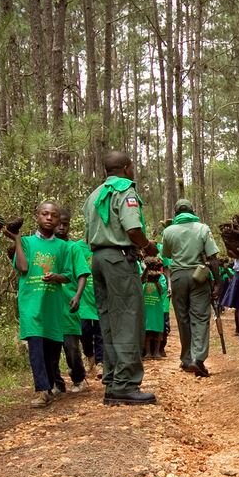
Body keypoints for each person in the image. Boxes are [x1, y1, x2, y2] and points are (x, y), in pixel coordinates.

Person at [82, 151, 160, 406]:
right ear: (126, 168)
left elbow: (88, 233)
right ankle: (126, 384)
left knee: (109, 320)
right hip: (119, 258)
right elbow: (133, 228)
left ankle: (113, 380)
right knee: (128, 318)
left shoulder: (94, 195)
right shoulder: (125, 190)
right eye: (133, 166)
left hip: (98, 259)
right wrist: (147, 246)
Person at [5, 202, 86, 407]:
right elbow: (23, 267)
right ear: (37, 216)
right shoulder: (26, 242)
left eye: (54, 215)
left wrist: (57, 276)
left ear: (59, 220)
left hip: (52, 307)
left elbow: (68, 276)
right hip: (31, 304)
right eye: (45, 214)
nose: (49, 218)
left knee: (51, 351)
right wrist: (16, 238)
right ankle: (42, 390)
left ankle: (49, 386)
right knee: (36, 348)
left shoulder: (64, 247)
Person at [160, 198, 221, 377]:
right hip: (199, 276)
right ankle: (198, 359)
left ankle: (186, 359)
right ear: (192, 211)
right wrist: (218, 282)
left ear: (176, 213)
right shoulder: (203, 228)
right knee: (200, 317)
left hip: (178, 276)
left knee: (183, 318)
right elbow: (213, 258)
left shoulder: (168, 231)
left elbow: (167, 254)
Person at [55, 218, 91, 393]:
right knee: (51, 349)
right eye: (58, 223)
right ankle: (56, 384)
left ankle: (78, 378)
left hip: (69, 305)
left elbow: (83, 273)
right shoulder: (46, 247)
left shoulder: (73, 248)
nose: (61, 227)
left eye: (65, 224)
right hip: (49, 306)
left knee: (71, 346)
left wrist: (77, 296)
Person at [141, 258, 168, 358]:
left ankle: (157, 352)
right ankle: (148, 352)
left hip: (157, 309)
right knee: (147, 330)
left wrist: (155, 280)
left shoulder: (160, 277)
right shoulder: (145, 277)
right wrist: (146, 271)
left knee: (158, 330)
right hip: (146, 308)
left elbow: (161, 290)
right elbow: (140, 281)